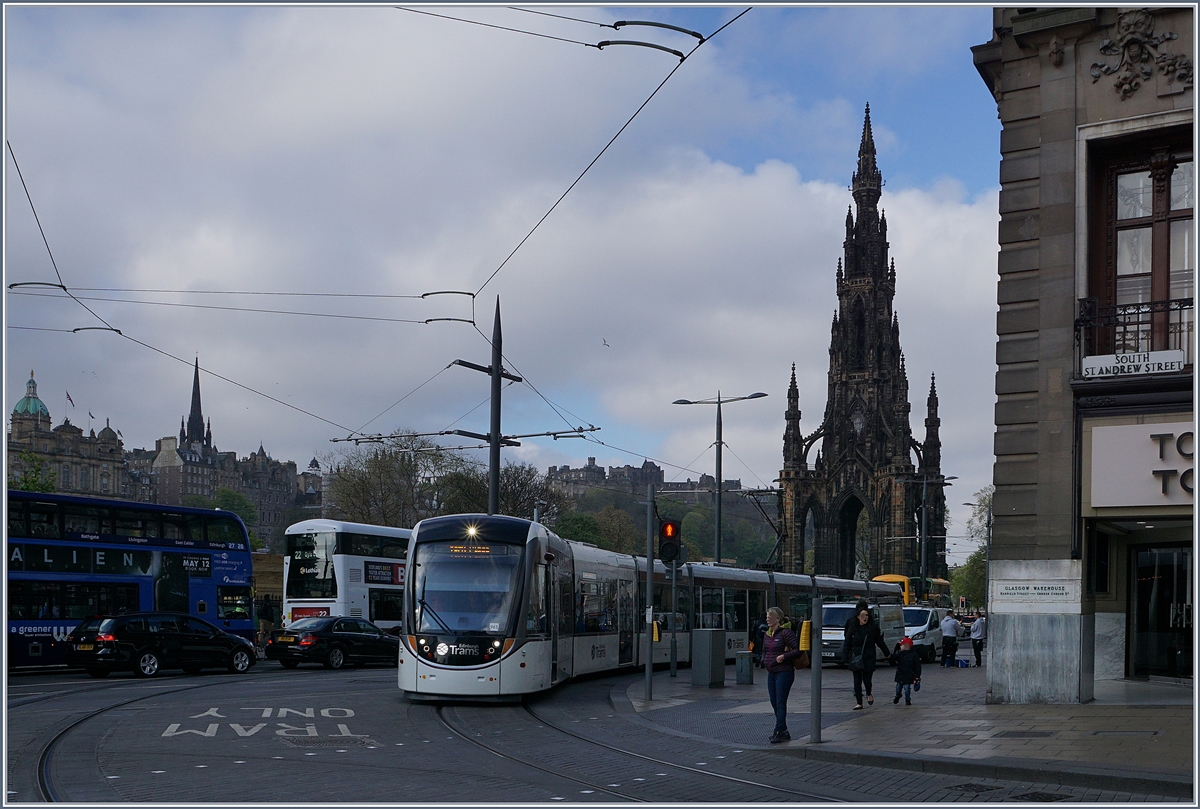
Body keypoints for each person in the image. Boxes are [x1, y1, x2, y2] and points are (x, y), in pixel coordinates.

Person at [761, 606, 801, 743]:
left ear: (777, 619)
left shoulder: (786, 633)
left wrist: (783, 656)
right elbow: (764, 650)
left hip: (784, 672)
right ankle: (783, 730)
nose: (767, 619)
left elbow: (798, 650)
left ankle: (778, 731)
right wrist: (764, 660)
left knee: (780, 702)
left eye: (769, 616)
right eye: (766, 616)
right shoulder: (767, 634)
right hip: (771, 672)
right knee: (774, 702)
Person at [843, 603, 892, 709]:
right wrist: (845, 657)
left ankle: (869, 693)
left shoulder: (873, 627)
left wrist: (887, 654)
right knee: (857, 680)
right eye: (862, 615)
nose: (865, 618)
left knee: (867, 680)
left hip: (868, 656)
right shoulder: (852, 626)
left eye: (866, 615)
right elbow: (847, 642)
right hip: (856, 656)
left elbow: (879, 641)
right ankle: (859, 702)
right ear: (858, 616)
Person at [893, 637, 922, 705]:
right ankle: (898, 695)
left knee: (907, 688)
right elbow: (894, 657)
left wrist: (917, 676)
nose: (900, 646)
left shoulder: (914, 655)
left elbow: (918, 666)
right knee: (898, 687)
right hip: (900, 674)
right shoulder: (900, 654)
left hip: (909, 675)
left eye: (901, 645)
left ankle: (907, 699)